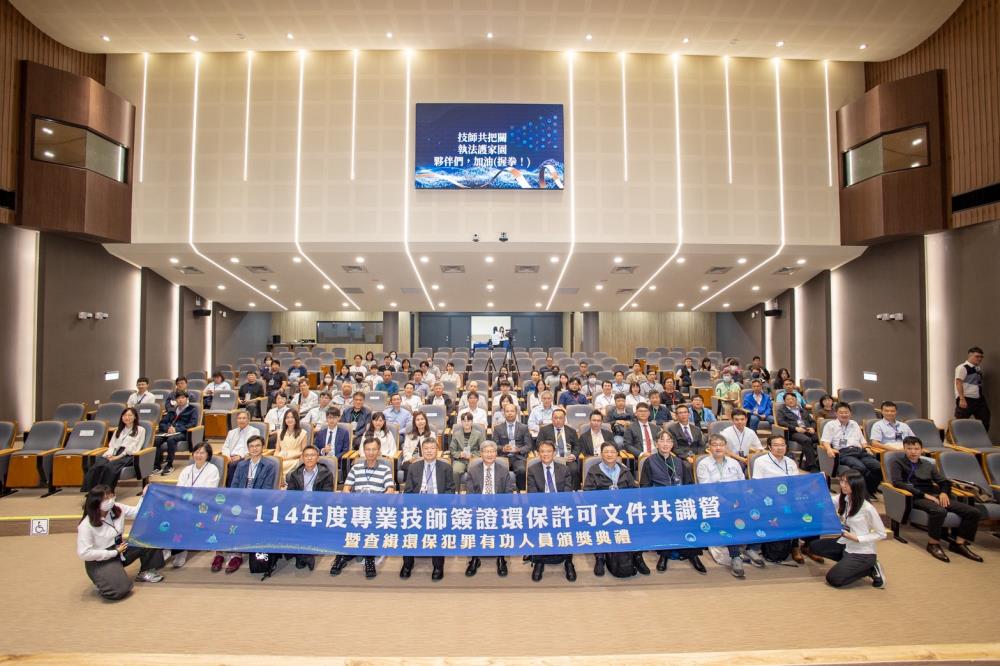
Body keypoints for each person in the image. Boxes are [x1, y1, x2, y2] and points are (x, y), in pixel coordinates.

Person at [889, 436, 983, 563]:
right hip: (913, 497)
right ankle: (933, 543)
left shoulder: (928, 464)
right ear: (904, 449)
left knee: (973, 512)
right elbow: (898, 483)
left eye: (916, 448)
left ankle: (959, 544)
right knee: (939, 511)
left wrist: (944, 493)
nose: (913, 451)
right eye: (909, 448)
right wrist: (924, 495)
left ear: (922, 449)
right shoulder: (897, 463)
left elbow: (944, 481)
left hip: (934, 495)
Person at [77, 484, 164, 600]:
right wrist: (114, 552)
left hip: (120, 549)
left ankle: (146, 570)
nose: (110, 500)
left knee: (149, 537)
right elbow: (84, 553)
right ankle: (102, 579)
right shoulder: (86, 525)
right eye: (106, 498)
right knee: (121, 590)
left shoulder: (117, 508)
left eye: (111, 496)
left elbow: (137, 512)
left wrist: (144, 495)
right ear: (96, 502)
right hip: (101, 558)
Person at [804, 471, 886, 589]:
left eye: (847, 483)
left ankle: (869, 568)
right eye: (841, 481)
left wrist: (857, 538)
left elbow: (881, 533)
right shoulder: (844, 498)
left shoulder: (867, 508)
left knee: (834, 579)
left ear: (856, 484)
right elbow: (825, 501)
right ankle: (849, 564)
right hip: (845, 543)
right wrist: (819, 481)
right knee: (814, 546)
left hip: (862, 552)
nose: (842, 485)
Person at [696, 434, 763, 577]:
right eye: (715, 444)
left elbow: (742, 483)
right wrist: (726, 501)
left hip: (735, 498)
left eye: (721, 444)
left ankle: (752, 548)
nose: (718, 447)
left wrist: (740, 499)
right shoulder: (703, 464)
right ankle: (735, 556)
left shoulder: (734, 463)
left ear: (726, 447)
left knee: (758, 508)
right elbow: (707, 488)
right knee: (729, 515)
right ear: (709, 447)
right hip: (714, 500)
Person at [331, 436, 398, 579]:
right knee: (342, 519)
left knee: (369, 523)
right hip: (357, 507)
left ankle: (369, 559)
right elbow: (346, 489)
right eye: (368, 449)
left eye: (374, 449)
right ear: (364, 451)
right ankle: (341, 557)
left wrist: (376, 502)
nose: (371, 452)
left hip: (376, 509)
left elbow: (390, 490)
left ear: (379, 451)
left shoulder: (385, 469)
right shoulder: (356, 468)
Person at [640, 431, 706, 573]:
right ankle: (664, 555)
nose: (665, 444)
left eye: (668, 441)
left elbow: (689, 485)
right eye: (662, 441)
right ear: (657, 443)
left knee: (689, 514)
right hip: (660, 502)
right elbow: (644, 487)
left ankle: (693, 555)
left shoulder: (680, 463)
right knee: (669, 517)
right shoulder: (649, 461)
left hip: (679, 501)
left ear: (672, 444)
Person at [584, 442, 651, 577]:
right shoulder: (593, 470)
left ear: (617, 454)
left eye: (612, 452)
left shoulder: (624, 470)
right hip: (603, 509)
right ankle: (600, 557)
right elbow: (588, 494)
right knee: (598, 520)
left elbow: (633, 491)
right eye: (606, 452)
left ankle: (637, 556)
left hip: (623, 509)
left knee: (638, 519)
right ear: (601, 454)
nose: (609, 454)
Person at [400, 438, 454, 581]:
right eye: (426, 449)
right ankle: (407, 563)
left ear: (437, 451)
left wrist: (440, 504)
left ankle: (438, 566)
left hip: (438, 506)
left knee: (437, 529)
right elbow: (408, 491)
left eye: (432, 448)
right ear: (422, 451)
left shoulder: (446, 467)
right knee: (408, 526)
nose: (429, 451)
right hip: (417, 507)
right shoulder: (414, 467)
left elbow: (450, 491)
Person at [750, 436, 809, 564]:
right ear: (770, 447)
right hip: (769, 497)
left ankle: (797, 545)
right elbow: (757, 485)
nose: (780, 448)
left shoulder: (790, 462)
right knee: (788, 508)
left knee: (809, 507)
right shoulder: (761, 461)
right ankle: (786, 544)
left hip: (788, 496)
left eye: (782, 445)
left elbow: (795, 484)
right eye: (776, 445)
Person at [526, 440, 576, 582]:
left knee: (567, 523)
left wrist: (557, 506)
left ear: (554, 453)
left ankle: (568, 561)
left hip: (560, 506)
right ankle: (539, 561)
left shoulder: (564, 469)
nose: (545, 454)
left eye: (549, 451)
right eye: (542, 451)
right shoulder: (533, 469)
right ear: (538, 453)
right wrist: (546, 508)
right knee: (538, 522)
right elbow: (532, 493)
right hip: (541, 507)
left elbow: (567, 491)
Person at [463, 441, 512, 577]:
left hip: (498, 507)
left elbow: (508, 493)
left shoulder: (503, 470)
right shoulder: (473, 470)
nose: (490, 454)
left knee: (503, 520)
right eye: (486, 451)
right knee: (473, 520)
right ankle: (474, 558)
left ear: (496, 453)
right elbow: (470, 493)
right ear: (481, 454)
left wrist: (500, 509)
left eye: (492, 451)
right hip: (479, 507)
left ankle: (501, 558)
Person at [171, 442, 221, 568]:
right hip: (185, 503)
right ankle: (171, 546)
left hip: (203, 504)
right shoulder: (187, 470)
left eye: (202, 452)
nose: (199, 455)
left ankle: (180, 551)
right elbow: (179, 489)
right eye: (196, 452)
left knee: (183, 517)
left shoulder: (212, 469)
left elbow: (209, 491)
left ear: (208, 455)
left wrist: (191, 499)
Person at [285, 445, 334, 570]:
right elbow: (290, 496)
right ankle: (305, 555)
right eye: (306, 455)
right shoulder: (295, 474)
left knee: (307, 520)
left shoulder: (326, 474)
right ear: (302, 458)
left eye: (312, 455)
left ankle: (301, 555)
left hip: (317, 507)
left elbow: (326, 497)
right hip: (299, 506)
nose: (309, 458)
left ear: (318, 457)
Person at [820, 402, 882, 498]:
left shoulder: (854, 424)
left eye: (846, 412)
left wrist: (867, 448)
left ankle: (869, 490)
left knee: (878, 467)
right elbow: (825, 441)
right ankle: (861, 493)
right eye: (841, 412)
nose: (844, 415)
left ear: (850, 413)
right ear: (836, 413)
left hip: (859, 451)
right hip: (844, 453)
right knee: (860, 468)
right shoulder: (830, 425)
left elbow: (862, 440)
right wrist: (829, 450)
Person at [82, 407, 146, 492]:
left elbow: (135, 448)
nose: (127, 417)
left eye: (130, 415)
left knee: (109, 467)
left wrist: (118, 457)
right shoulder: (118, 430)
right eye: (125, 415)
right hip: (114, 452)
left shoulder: (140, 430)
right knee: (97, 466)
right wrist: (110, 455)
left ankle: (107, 493)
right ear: (122, 417)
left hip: (128, 455)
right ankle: (93, 492)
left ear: (135, 417)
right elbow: (112, 445)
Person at [152, 391, 197, 475]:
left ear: (187, 399)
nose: (180, 400)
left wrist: (176, 429)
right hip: (169, 432)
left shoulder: (192, 409)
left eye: (183, 398)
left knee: (171, 439)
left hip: (183, 433)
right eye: (178, 398)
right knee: (156, 439)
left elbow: (192, 424)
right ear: (176, 400)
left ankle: (169, 464)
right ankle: (156, 465)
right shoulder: (172, 410)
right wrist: (168, 428)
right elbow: (162, 423)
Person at [776, 390, 820, 472]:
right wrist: (795, 428)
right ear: (785, 402)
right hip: (793, 432)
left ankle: (815, 462)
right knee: (806, 440)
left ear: (796, 400)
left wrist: (813, 428)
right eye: (788, 399)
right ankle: (812, 466)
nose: (791, 400)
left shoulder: (802, 409)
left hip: (807, 430)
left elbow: (812, 421)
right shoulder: (782, 410)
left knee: (821, 439)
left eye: (793, 399)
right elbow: (781, 422)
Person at [537, 407, 580, 487]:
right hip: (551, 458)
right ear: (552, 419)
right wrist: (550, 455)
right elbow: (538, 444)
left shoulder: (571, 431)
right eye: (555, 418)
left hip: (567, 459)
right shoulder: (544, 430)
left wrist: (573, 455)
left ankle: (572, 491)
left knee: (574, 469)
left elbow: (577, 446)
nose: (558, 420)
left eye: (560, 418)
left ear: (564, 419)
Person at [494, 402, 531, 491]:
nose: (510, 413)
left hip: (518, 457)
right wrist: (503, 448)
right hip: (503, 457)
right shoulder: (497, 428)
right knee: (498, 471)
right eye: (507, 411)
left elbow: (529, 446)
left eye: (512, 411)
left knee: (522, 470)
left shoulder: (524, 427)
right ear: (503, 413)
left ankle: (521, 494)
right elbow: (494, 445)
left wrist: (518, 449)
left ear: (516, 413)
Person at [955, 346, 989, 431]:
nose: (979, 359)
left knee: (985, 419)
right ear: (970, 356)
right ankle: (951, 441)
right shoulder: (963, 367)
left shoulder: (977, 368)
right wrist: (962, 399)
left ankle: (981, 440)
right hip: (966, 399)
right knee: (960, 422)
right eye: (977, 356)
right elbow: (958, 382)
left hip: (979, 399)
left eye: (981, 357)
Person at [449, 412, 485, 486]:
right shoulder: (456, 434)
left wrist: (472, 455)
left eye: (468, 421)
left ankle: (473, 493)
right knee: (455, 471)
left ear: (472, 422)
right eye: (464, 421)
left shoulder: (478, 434)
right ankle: (456, 493)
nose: (466, 423)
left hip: (473, 459)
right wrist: (460, 454)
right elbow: (452, 449)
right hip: (460, 460)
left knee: (474, 470)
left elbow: (483, 449)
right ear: (461, 422)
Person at [220, 410, 255, 485]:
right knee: (218, 462)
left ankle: (230, 488)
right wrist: (227, 456)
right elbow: (225, 447)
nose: (241, 420)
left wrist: (240, 456)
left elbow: (253, 448)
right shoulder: (232, 432)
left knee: (233, 465)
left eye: (244, 418)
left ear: (248, 420)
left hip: (245, 456)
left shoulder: (254, 431)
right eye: (239, 418)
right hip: (230, 457)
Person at [275, 408, 307, 477]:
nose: (289, 420)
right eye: (287, 418)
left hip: (294, 460)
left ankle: (282, 483)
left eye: (292, 417)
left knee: (279, 467)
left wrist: (291, 456)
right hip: (281, 458)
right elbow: (277, 450)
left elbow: (304, 451)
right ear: (284, 420)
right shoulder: (280, 432)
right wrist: (276, 459)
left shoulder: (303, 433)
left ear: (296, 419)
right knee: (273, 465)